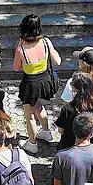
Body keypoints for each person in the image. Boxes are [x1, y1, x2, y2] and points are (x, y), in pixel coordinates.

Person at [12, 14, 62, 154]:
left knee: (29, 115)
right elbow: (58, 61)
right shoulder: (46, 42)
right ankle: (46, 132)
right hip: (45, 81)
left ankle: (32, 144)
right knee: (38, 105)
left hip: (30, 84)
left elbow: (16, 68)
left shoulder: (21, 50)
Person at [55, 72, 93, 151]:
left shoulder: (68, 109)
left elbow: (61, 131)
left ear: (76, 88)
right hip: (91, 145)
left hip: (70, 146)